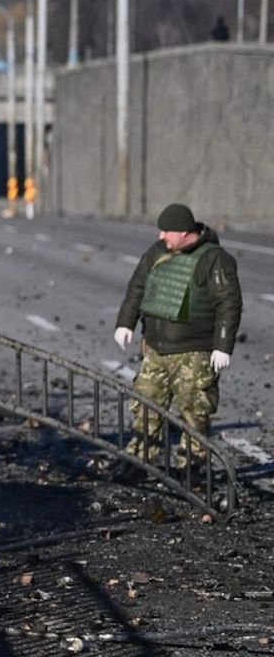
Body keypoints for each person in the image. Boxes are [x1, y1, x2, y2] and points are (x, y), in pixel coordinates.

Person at [113, 202, 241, 471]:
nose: (161, 236)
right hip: (156, 350)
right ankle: (140, 461)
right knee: (145, 406)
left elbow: (228, 303)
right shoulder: (156, 253)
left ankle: (191, 469)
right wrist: (126, 323)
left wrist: (223, 346)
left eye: (166, 231)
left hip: (195, 353)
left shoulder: (214, 259)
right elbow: (137, 287)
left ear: (184, 232)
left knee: (195, 412)